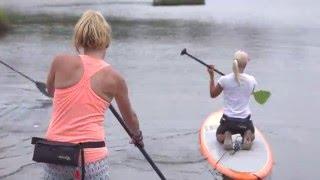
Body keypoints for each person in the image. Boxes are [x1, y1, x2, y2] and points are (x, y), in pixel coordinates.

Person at [44, 10, 143, 179]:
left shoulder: (59, 62)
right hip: (91, 158)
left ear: (79, 39)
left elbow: (51, 91)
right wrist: (137, 135)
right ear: (106, 42)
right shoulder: (115, 78)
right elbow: (130, 119)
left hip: (55, 152)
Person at [207, 50, 256, 150]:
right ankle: (247, 135)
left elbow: (213, 94)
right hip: (245, 122)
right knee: (253, 135)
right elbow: (250, 93)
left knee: (219, 135)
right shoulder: (252, 80)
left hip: (228, 121)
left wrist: (212, 77)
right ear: (246, 64)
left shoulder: (224, 80)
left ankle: (226, 135)